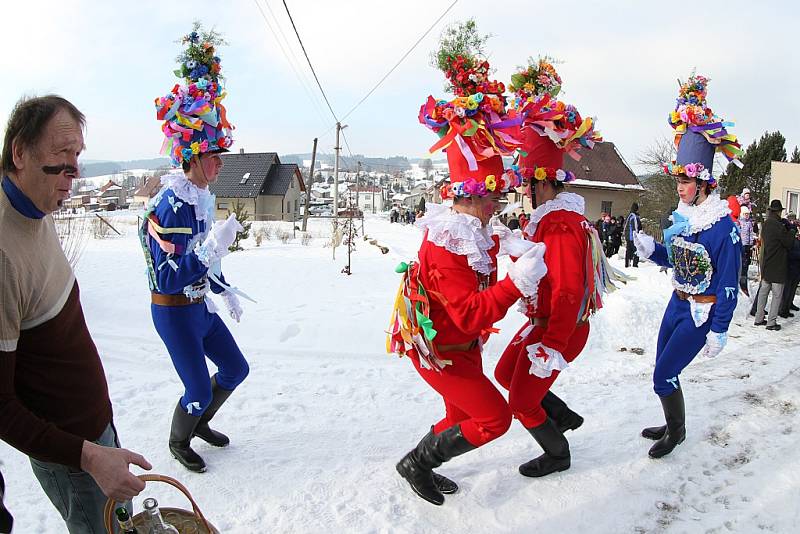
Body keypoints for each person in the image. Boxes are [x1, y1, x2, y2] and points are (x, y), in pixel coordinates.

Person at [388, 37, 546, 506]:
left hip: (463, 348)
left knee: (461, 417)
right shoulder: (447, 243)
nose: (497, 206)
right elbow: (467, 314)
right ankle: (418, 462)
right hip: (441, 349)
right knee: (493, 419)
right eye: (494, 197)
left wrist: (514, 247)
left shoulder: (474, 231)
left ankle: (419, 461)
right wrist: (516, 283)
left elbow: (487, 259)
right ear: (473, 195)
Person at [0, 95, 151, 533]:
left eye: (78, 156)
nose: (73, 172)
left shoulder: (37, 205)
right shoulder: (3, 252)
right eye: (62, 155)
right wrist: (88, 456)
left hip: (95, 435)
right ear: (20, 153)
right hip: (73, 458)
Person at [494, 56, 619, 478]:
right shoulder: (547, 219)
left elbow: (566, 290)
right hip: (543, 321)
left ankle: (558, 452)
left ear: (545, 182)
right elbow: (539, 274)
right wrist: (513, 246)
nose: (524, 191)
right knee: (503, 372)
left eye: (528, 183)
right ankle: (561, 415)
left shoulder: (562, 224)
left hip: (558, 327)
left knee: (521, 401)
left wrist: (553, 344)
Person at [143, 26, 249, 473]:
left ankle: (199, 418)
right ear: (192, 157)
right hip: (172, 311)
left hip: (198, 308)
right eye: (214, 157)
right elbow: (168, 275)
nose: (221, 164)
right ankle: (178, 438)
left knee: (235, 369)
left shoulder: (200, 197)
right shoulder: (169, 205)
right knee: (197, 388)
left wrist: (223, 287)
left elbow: (204, 260)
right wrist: (209, 251)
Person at [633, 73, 742, 458]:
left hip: (701, 311)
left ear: (705, 183)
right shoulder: (682, 217)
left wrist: (720, 330)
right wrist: (651, 251)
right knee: (663, 369)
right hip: (676, 303)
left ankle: (676, 433)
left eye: (686, 180)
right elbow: (679, 261)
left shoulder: (722, 228)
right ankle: (672, 422)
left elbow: (728, 283)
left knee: (663, 375)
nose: (679, 187)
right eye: (678, 179)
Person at [754, 200, 797, 330]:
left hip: (767, 261)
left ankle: (759, 318)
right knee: (777, 295)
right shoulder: (778, 226)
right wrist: (792, 231)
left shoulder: (766, 224)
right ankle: (771, 322)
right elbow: (788, 243)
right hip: (778, 264)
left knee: (763, 292)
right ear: (778, 211)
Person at [738, 205, 756, 293]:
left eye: (748, 214)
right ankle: (740, 279)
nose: (747, 216)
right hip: (741, 244)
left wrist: (751, 242)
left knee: (746, 262)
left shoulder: (749, 223)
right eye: (745, 214)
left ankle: (744, 279)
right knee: (742, 262)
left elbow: (751, 233)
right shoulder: (739, 222)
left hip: (747, 245)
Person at [624, 202, 642, 267]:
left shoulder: (629, 216)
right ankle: (635, 264)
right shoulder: (634, 217)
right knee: (637, 250)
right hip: (633, 237)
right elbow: (636, 227)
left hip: (628, 236)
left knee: (628, 250)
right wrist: (638, 235)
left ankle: (627, 264)